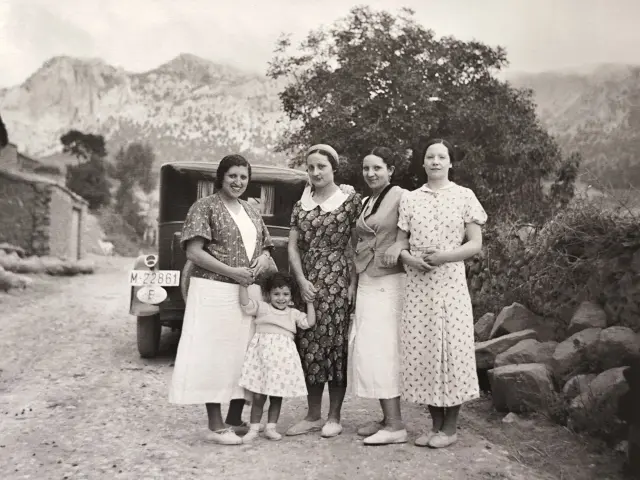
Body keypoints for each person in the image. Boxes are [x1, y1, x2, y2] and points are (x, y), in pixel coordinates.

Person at [168, 154, 276, 446]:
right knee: (213, 356)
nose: (238, 182)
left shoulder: (251, 211)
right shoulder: (204, 207)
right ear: (221, 177)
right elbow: (194, 252)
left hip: (246, 292)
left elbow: (266, 247)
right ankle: (215, 425)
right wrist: (232, 272)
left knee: (243, 355)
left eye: (243, 177)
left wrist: (263, 261)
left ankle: (234, 418)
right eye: (232, 176)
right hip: (214, 291)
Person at [396, 138, 487, 448]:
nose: (435, 161)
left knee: (451, 349)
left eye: (441, 157)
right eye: (430, 157)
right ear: (423, 163)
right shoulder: (410, 199)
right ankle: (434, 426)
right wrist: (411, 259)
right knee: (423, 351)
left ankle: (450, 428)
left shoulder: (464, 196)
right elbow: (399, 243)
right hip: (418, 284)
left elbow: (475, 243)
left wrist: (444, 257)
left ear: (451, 163)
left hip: (449, 282)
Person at [286, 143, 362, 438]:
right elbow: (292, 245)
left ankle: (334, 416)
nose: (316, 172)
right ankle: (313, 414)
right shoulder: (301, 203)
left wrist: (354, 284)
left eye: (322, 167)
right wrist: (301, 280)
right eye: (311, 167)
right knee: (309, 346)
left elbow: (357, 246)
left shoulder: (349, 201)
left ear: (334, 169)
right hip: (308, 281)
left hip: (338, 281)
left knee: (335, 348)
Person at [349, 147, 410, 445]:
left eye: (377, 168)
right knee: (369, 348)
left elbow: (410, 228)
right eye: (366, 168)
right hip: (366, 279)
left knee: (384, 349)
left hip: (389, 281)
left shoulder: (402, 196)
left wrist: (400, 244)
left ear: (391, 170)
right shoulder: (367, 201)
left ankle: (396, 424)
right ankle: (386, 417)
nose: (370, 173)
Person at [238, 272, 316, 443]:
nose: (281, 298)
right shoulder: (262, 307)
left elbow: (309, 322)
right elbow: (245, 304)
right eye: (276, 294)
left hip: (282, 359)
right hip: (262, 357)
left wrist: (310, 303)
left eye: (285, 294)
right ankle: (254, 428)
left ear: (291, 296)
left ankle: (271, 427)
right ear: (268, 294)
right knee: (259, 395)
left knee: (276, 395)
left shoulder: (293, 313)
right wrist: (243, 285)